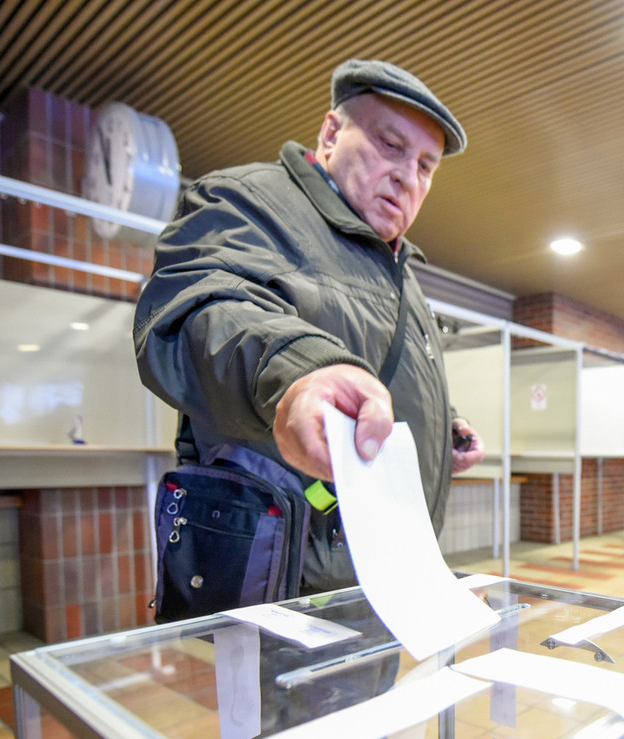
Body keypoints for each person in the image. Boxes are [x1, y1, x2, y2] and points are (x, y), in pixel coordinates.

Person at [134, 59, 485, 594]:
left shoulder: (397, 268)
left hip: (386, 569)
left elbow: (380, 371)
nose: (407, 176)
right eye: (391, 146)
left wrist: (444, 428)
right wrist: (295, 376)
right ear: (330, 132)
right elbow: (203, 308)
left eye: (425, 165)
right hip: (286, 573)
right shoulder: (249, 201)